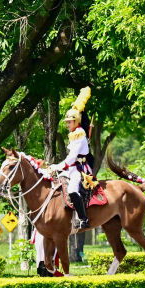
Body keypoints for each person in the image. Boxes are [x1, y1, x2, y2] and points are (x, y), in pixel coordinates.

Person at [57, 87, 94, 229]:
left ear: (76, 122)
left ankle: (83, 219)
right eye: (66, 122)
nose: (67, 124)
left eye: (69, 122)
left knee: (72, 190)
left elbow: (72, 158)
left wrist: (57, 166)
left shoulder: (79, 135)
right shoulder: (74, 133)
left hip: (81, 169)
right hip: (72, 168)